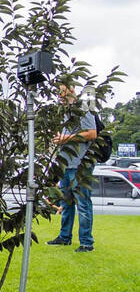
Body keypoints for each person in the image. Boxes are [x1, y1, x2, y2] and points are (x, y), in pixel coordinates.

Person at [47, 83, 98, 252]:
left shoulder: (83, 109)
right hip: (66, 164)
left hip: (81, 165)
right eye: (58, 93)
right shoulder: (64, 113)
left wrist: (67, 138)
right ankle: (64, 237)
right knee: (66, 202)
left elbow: (92, 133)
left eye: (62, 92)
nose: (60, 96)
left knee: (83, 204)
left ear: (71, 90)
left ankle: (86, 243)